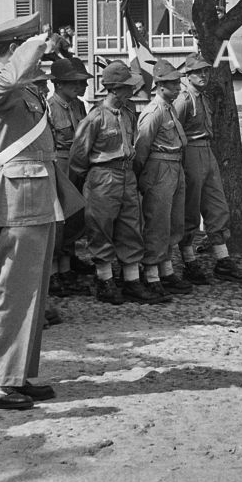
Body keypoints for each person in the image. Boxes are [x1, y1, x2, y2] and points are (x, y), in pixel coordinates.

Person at [0, 12, 62, 410]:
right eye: (31, 49)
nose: (40, 57)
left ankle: (16, 375)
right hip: (15, 199)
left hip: (35, 198)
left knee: (32, 294)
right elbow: (4, 85)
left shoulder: (21, 86)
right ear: (14, 49)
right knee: (10, 292)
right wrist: (36, 45)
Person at [70, 60, 166, 305]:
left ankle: (132, 281)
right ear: (114, 89)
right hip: (103, 177)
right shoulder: (95, 118)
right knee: (100, 228)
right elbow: (78, 157)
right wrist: (89, 181)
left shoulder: (128, 114)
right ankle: (104, 281)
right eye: (126, 88)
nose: (131, 91)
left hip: (126, 176)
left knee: (131, 227)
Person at [174, 52, 242, 284]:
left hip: (207, 152)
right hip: (190, 153)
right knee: (190, 209)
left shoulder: (203, 97)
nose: (204, 75)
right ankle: (189, 261)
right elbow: (173, 130)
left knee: (217, 207)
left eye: (206, 70)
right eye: (199, 71)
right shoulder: (183, 99)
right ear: (188, 74)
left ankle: (222, 260)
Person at [135, 58, 194, 296]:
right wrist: (143, 178)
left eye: (178, 82)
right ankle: (151, 274)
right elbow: (141, 149)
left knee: (174, 222)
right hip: (159, 168)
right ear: (160, 86)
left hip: (175, 166)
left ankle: (166, 271)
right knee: (157, 223)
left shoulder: (169, 108)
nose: (178, 87)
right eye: (172, 84)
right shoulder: (154, 112)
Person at [46, 57, 92, 297]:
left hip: (78, 162)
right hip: (59, 163)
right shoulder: (48, 107)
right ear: (58, 84)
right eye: (73, 82)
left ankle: (67, 266)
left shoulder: (78, 106)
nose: (80, 86)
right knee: (59, 218)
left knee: (75, 216)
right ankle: (53, 272)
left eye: (80, 81)